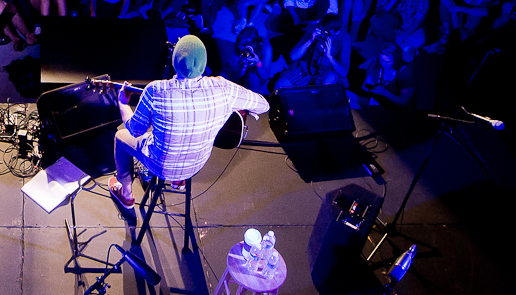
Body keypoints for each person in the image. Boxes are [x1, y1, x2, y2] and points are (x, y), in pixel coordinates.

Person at [110, 35, 269, 210]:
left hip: (160, 166)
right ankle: (179, 181)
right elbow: (264, 105)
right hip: (196, 164)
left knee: (120, 136)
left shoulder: (155, 90)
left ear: (175, 61)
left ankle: (125, 194)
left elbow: (134, 130)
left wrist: (123, 103)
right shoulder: (224, 88)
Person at [274, 13, 351, 88]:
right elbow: (293, 56)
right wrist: (310, 41)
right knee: (280, 86)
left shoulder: (344, 39)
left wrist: (330, 56)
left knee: (329, 81)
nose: (323, 34)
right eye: (321, 31)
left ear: (337, 32)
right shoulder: (315, 29)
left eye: (326, 33)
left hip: (328, 71)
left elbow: (343, 72)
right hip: (308, 67)